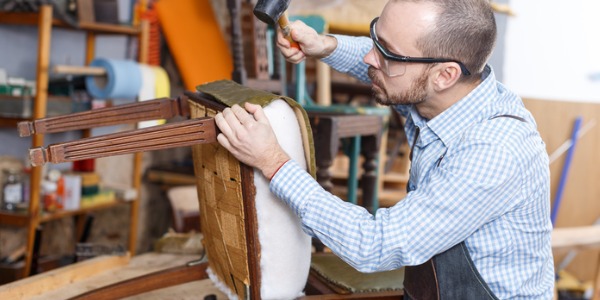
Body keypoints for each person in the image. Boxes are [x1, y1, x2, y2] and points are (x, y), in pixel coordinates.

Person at [214, 0, 554, 298]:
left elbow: (374, 246)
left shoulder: (494, 151)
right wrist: (325, 46)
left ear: (445, 75)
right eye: (376, 36)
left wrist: (274, 162)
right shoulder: (445, 94)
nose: (369, 56)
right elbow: (393, 68)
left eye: (386, 53)